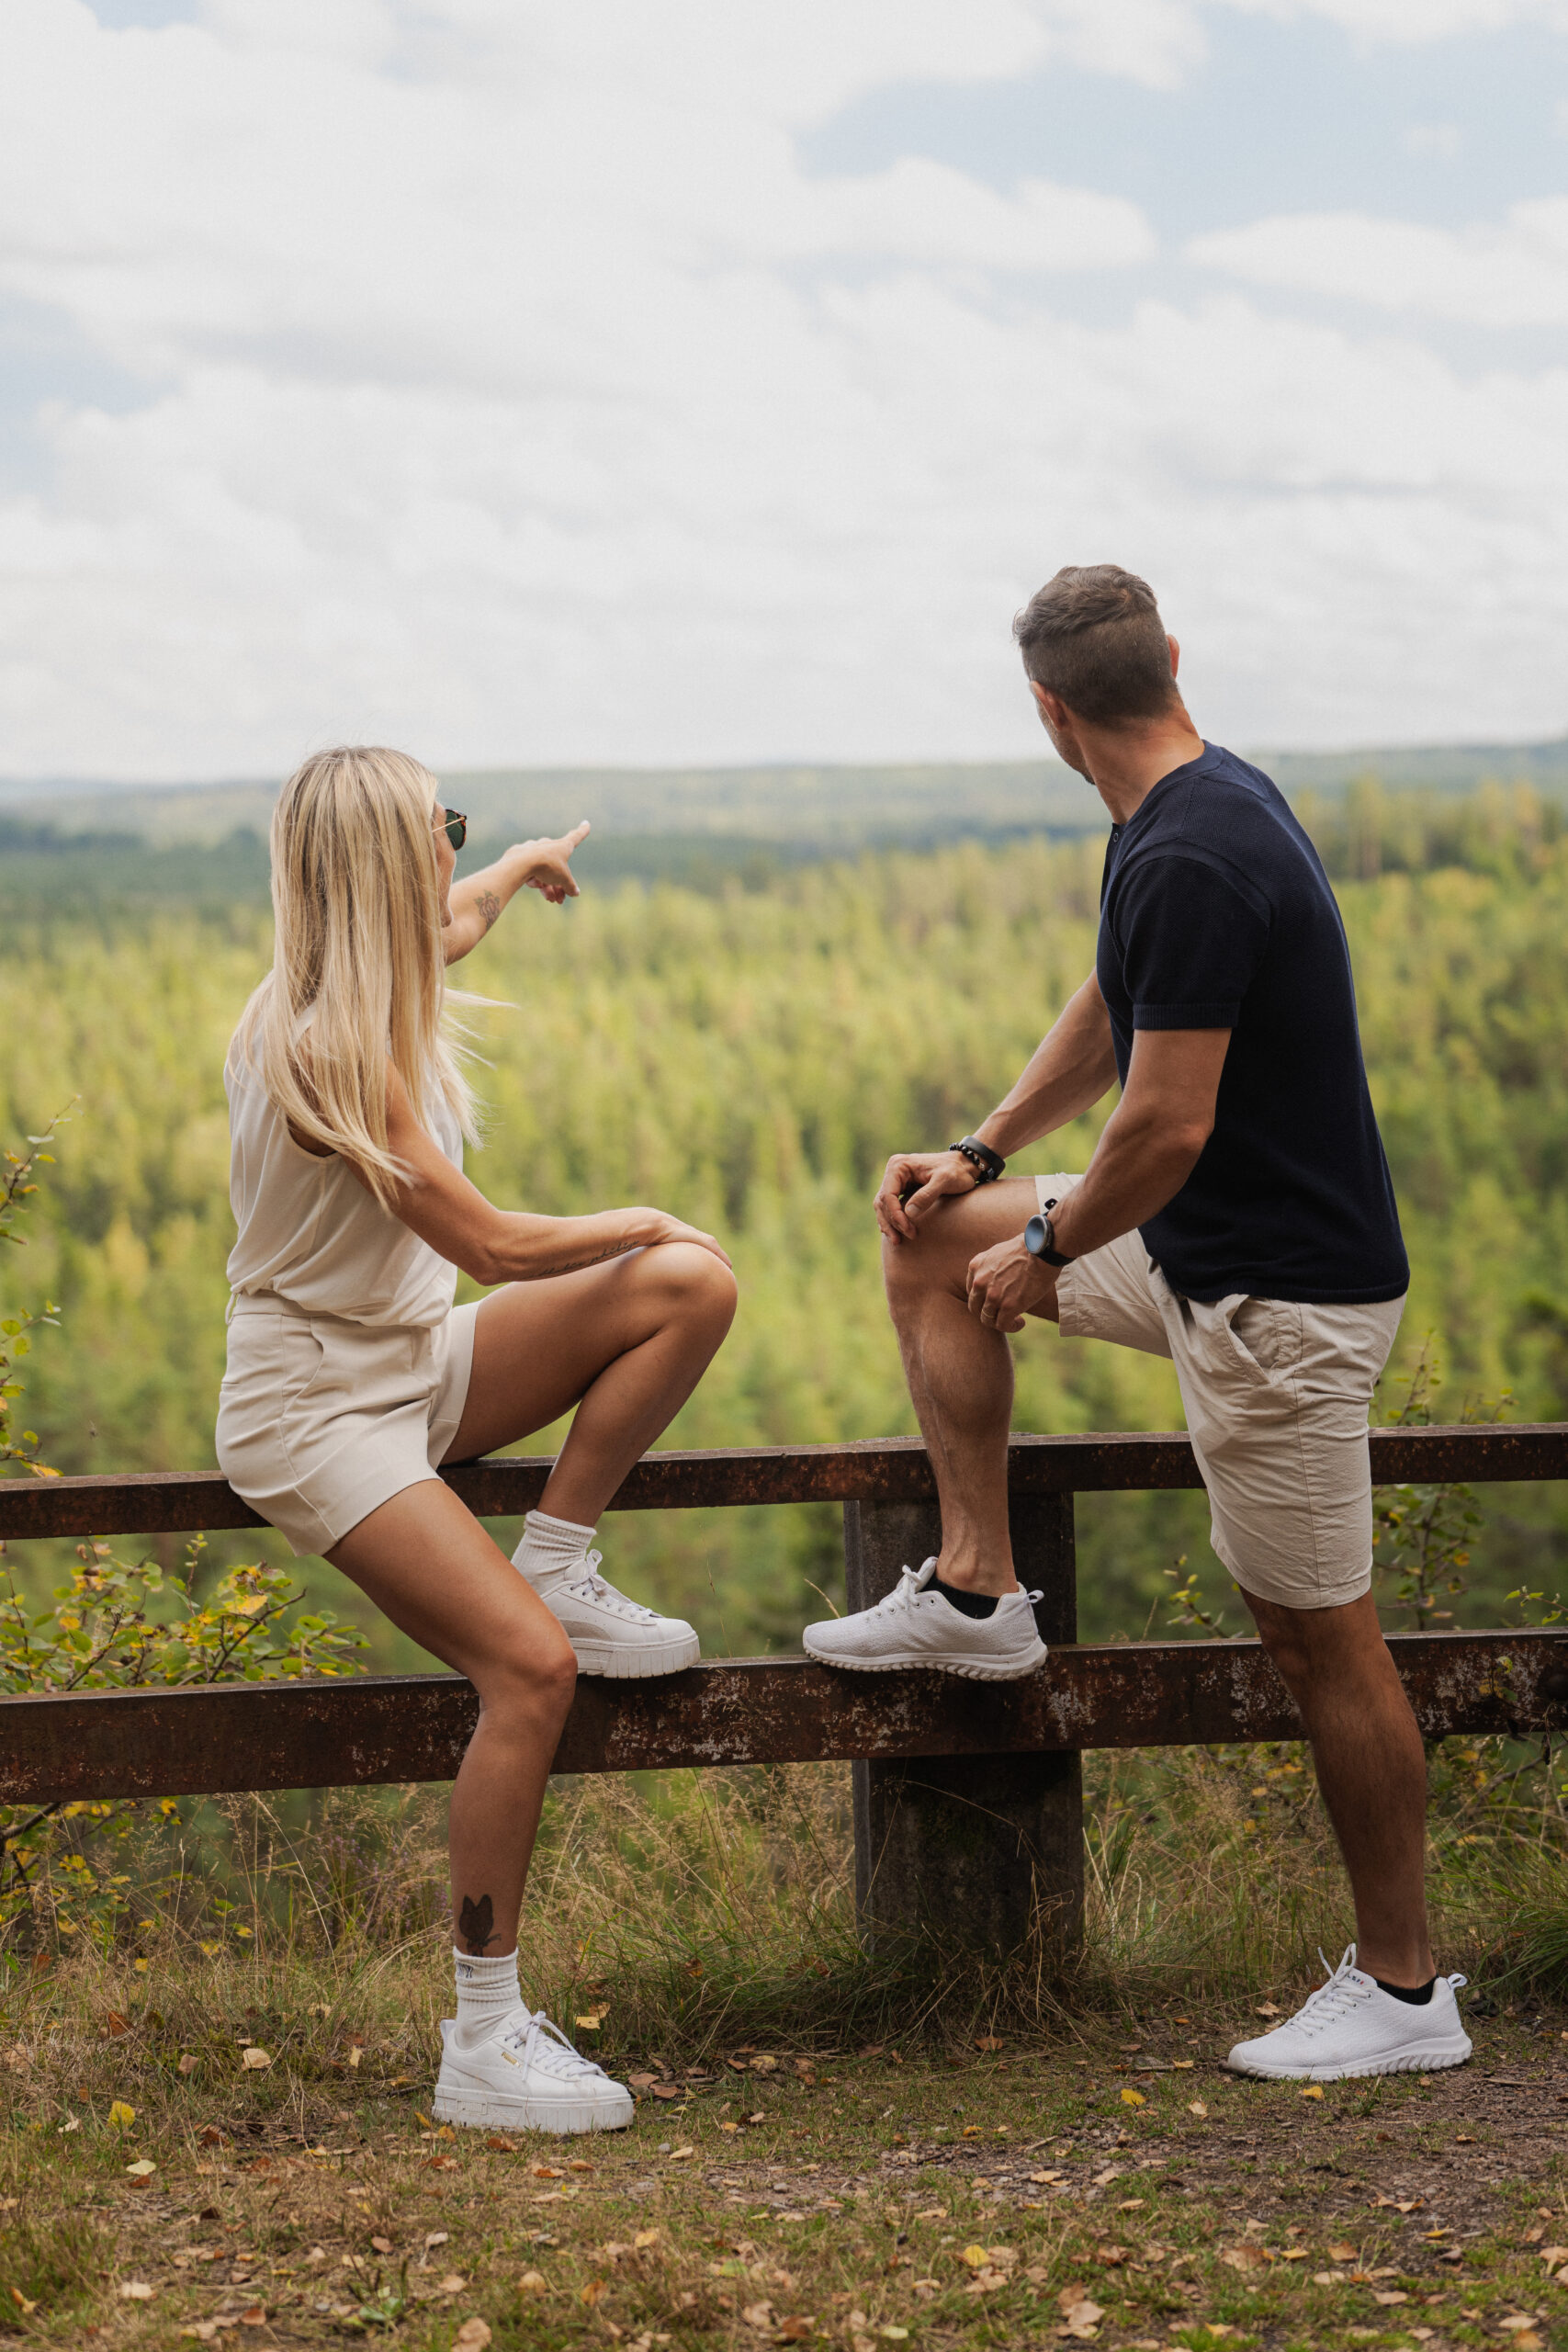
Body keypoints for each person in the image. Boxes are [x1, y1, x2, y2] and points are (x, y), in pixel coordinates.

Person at [802, 565, 1472, 2082]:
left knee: (1321, 1647)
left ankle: (1407, 1990)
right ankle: (981, 1592)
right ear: (1169, 660)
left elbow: (1163, 1125)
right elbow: (1115, 1016)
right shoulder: (1181, 811)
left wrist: (1044, 1247)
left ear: (1048, 709)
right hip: (1193, 1255)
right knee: (925, 1236)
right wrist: (981, 1167)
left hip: (1278, 1307)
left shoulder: (1193, 849)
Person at [216, 746, 737, 2132]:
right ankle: (483, 2040)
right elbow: (498, 1245)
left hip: (410, 1364)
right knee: (529, 1672)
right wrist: (644, 1211)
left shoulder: (387, 965)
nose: (453, 853)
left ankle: (559, 1552)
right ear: (382, 862)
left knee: (694, 1292)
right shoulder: (325, 1039)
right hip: (314, 1405)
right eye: (439, 831)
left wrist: (518, 864)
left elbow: (461, 921)